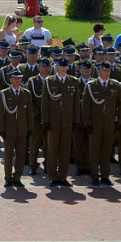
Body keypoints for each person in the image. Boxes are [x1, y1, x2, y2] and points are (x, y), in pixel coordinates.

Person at [43, 58, 79, 187]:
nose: (63, 68)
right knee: (53, 149)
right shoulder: (49, 81)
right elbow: (45, 103)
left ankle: (63, 176)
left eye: (65, 66)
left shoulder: (73, 81)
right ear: (56, 67)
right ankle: (53, 175)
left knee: (65, 150)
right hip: (54, 121)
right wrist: (45, 120)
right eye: (60, 66)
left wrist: (76, 120)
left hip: (67, 121)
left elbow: (75, 103)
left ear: (68, 67)